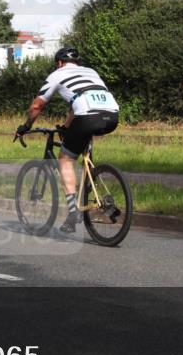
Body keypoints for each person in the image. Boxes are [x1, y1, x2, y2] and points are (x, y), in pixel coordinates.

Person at [15, 47, 119, 232]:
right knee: (83, 146)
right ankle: (91, 186)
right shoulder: (91, 72)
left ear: (60, 63)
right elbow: (78, 102)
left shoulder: (57, 74)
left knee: (65, 159)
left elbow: (37, 105)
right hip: (112, 116)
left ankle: (73, 213)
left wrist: (26, 126)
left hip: (87, 116)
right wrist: (66, 127)